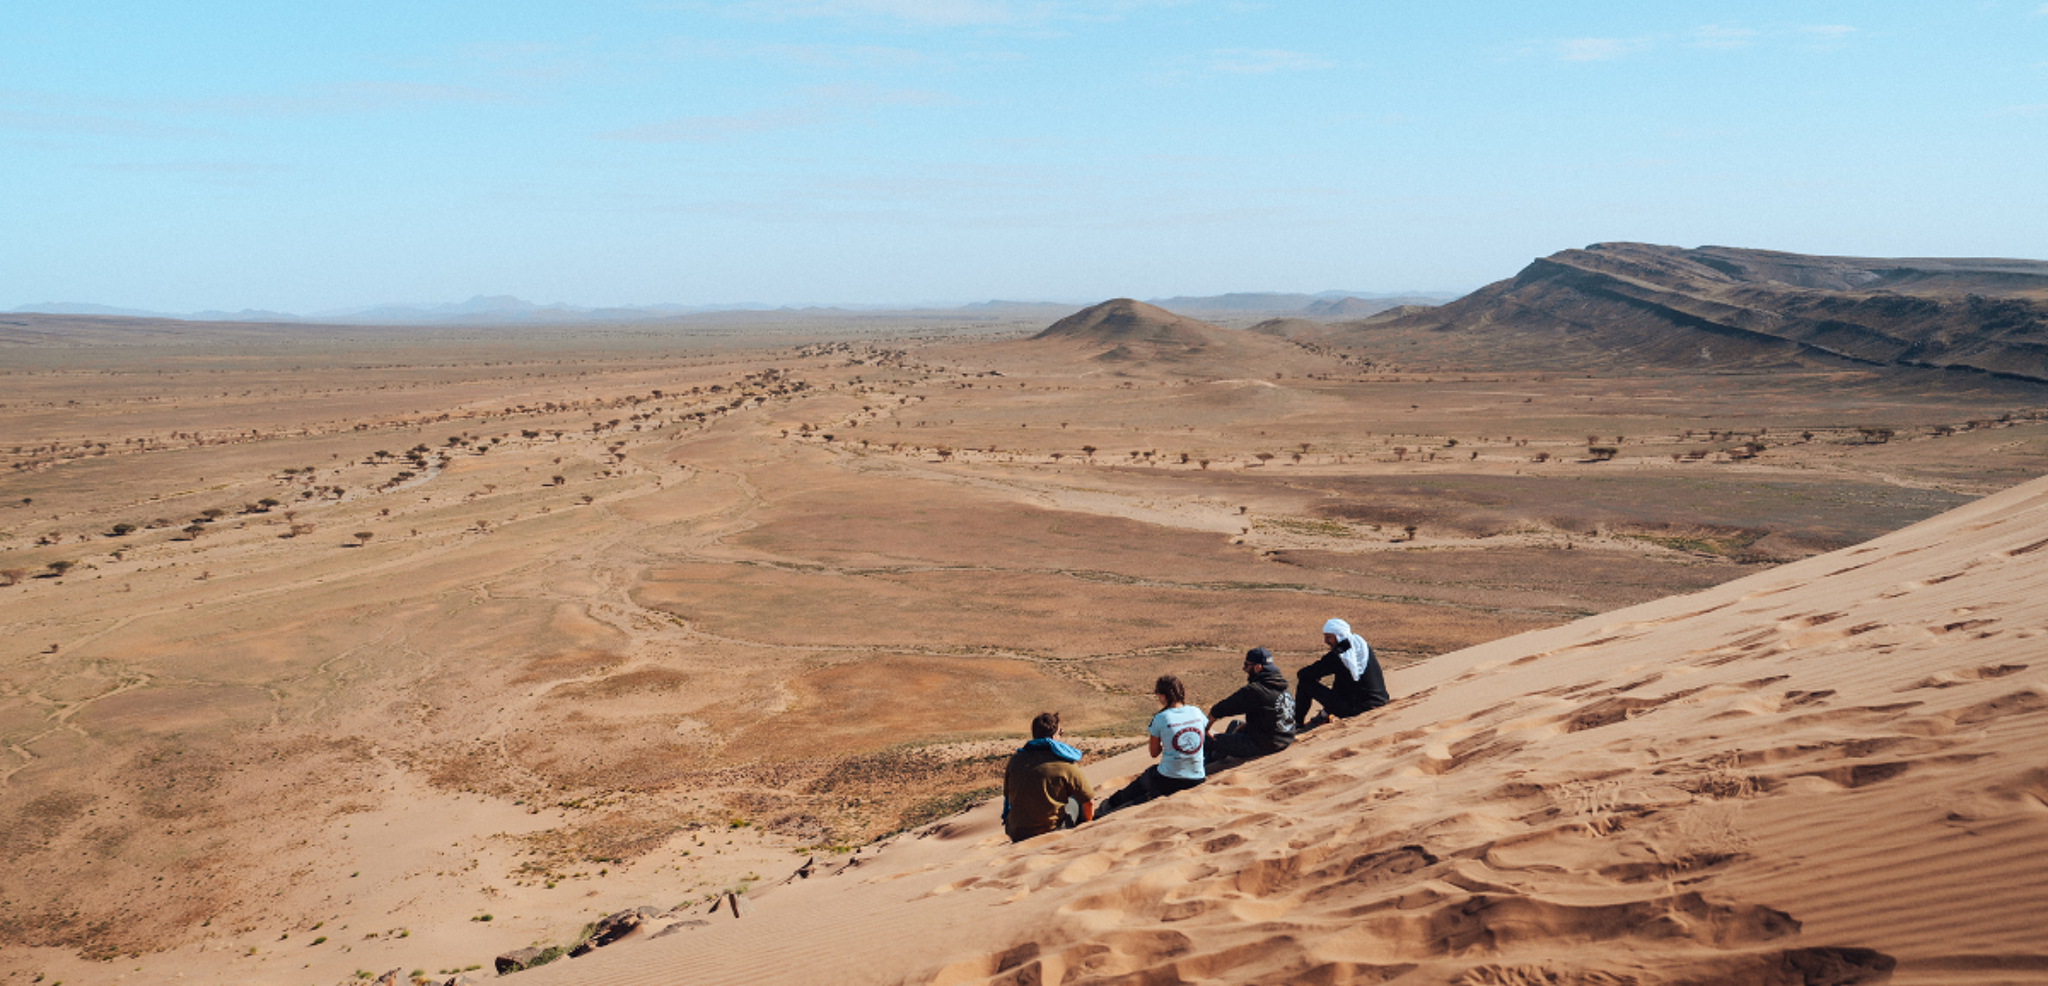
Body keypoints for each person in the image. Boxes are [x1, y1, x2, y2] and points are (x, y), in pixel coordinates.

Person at [1098, 675, 1206, 815]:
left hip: (1170, 779)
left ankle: (1111, 804)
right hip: (1198, 778)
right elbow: (1205, 733)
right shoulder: (1197, 712)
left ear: (1162, 696)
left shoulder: (1160, 718)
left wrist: (1165, 743)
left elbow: (1154, 753)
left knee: (1145, 780)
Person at [1002, 711, 1094, 842]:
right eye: (1060, 733)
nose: (1061, 736)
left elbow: (1008, 796)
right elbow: (1088, 802)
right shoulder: (1065, 764)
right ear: (1054, 736)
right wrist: (1086, 824)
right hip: (1051, 831)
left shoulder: (1015, 760)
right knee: (1075, 800)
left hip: (1016, 832)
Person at [1204, 647, 1296, 768]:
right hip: (1285, 738)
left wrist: (1206, 728)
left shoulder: (1256, 690)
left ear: (1257, 667)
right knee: (1235, 725)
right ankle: (1217, 755)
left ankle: (1206, 764)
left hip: (1264, 744)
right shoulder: (1281, 686)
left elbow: (1222, 708)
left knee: (1206, 740)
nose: (1244, 669)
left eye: (1246, 665)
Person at [1294, 617, 1389, 728]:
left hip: (1359, 709)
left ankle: (1297, 722)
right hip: (1380, 700)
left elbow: (1303, 674)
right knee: (1342, 677)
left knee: (1305, 682)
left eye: (1329, 637)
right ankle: (1324, 715)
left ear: (1338, 636)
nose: (1325, 641)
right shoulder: (1360, 645)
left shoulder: (1339, 656)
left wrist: (1314, 676)